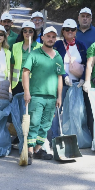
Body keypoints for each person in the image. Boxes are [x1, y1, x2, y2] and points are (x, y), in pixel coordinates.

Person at [22, 27, 64, 163]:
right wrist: (27, 92)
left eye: (53, 37)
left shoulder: (57, 56)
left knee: (46, 125)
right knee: (34, 123)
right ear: (43, 38)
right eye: (48, 36)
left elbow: (59, 77)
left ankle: (37, 150)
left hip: (51, 98)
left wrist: (59, 96)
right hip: (37, 95)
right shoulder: (34, 54)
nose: (51, 39)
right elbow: (25, 73)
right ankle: (28, 152)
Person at [50, 19, 90, 140]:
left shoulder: (81, 45)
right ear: (63, 31)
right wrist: (64, 76)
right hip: (61, 83)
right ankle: (55, 136)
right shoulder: (57, 45)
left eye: (72, 29)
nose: (70, 32)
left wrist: (83, 79)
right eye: (67, 29)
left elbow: (87, 63)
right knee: (57, 110)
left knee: (75, 111)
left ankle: (75, 136)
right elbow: (54, 63)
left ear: (76, 31)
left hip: (76, 84)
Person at [10, 21, 42, 94]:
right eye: (25, 31)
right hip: (17, 84)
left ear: (34, 33)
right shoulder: (15, 46)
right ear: (22, 33)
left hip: (33, 84)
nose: (27, 33)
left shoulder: (40, 47)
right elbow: (12, 66)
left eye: (30, 31)